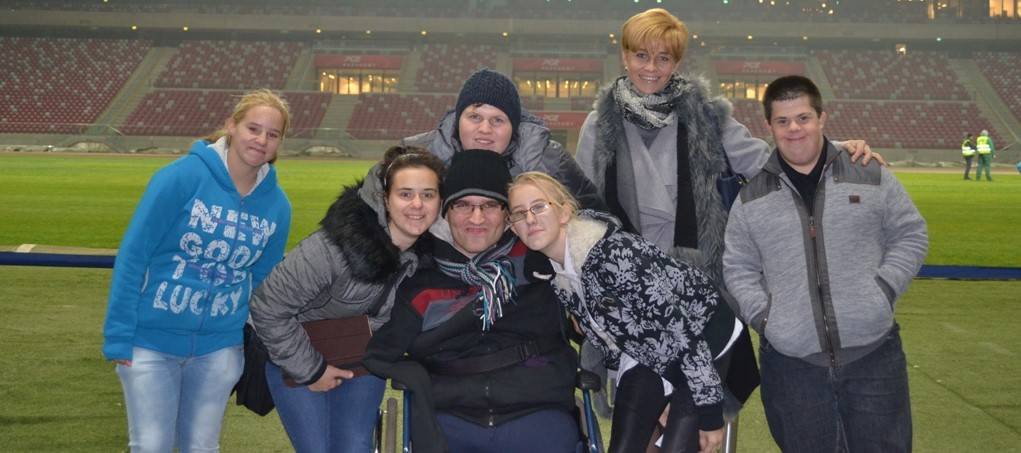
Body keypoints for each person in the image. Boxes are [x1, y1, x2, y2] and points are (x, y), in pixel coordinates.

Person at [574, 7, 882, 425]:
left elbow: (763, 161)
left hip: (697, 288)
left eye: (663, 58)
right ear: (625, 57)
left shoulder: (706, 117)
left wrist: (837, 149)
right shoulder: (599, 125)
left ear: (676, 62)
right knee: (641, 419)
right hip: (630, 292)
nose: (651, 68)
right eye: (642, 56)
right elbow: (584, 207)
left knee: (700, 418)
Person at [723, 75, 928, 452]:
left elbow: (910, 234)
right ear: (769, 126)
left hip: (873, 357)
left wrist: (882, 291)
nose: (794, 128)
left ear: (822, 118)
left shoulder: (867, 172)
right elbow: (738, 268)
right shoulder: (751, 198)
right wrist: (767, 319)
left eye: (803, 117)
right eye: (783, 121)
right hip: (792, 366)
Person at [102, 89, 293, 452]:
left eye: (272, 134)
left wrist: (268, 344)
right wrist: (119, 334)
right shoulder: (181, 177)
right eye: (253, 128)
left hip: (220, 346)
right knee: (151, 445)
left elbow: (265, 283)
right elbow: (134, 255)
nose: (261, 140)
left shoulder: (278, 206)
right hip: (150, 341)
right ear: (231, 126)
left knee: (202, 447)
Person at [364, 150, 580, 453]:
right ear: (446, 212)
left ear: (507, 214)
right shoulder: (420, 279)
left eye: (489, 205)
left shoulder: (540, 265)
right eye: (463, 205)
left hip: (538, 413)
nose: (476, 218)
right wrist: (413, 376)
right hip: (449, 419)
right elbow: (379, 353)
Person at [508, 172, 725, 453]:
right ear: (514, 228)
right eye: (519, 213)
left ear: (564, 212)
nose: (530, 219)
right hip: (647, 356)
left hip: (706, 335)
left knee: (677, 446)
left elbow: (683, 333)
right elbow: (615, 341)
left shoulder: (615, 254)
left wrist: (710, 412)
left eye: (539, 206)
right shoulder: (557, 277)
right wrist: (658, 395)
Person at [248, 146, 445, 453]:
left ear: (440, 202)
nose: (417, 204)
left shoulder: (429, 259)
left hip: (360, 357)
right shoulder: (333, 247)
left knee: (355, 447)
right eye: (405, 194)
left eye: (428, 195)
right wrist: (312, 370)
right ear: (385, 199)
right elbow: (267, 307)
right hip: (295, 353)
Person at [403, 67, 605, 211]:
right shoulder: (416, 156)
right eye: (474, 117)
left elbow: (598, 216)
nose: (485, 129)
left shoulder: (551, 160)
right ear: (458, 120)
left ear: (513, 127)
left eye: (497, 120)